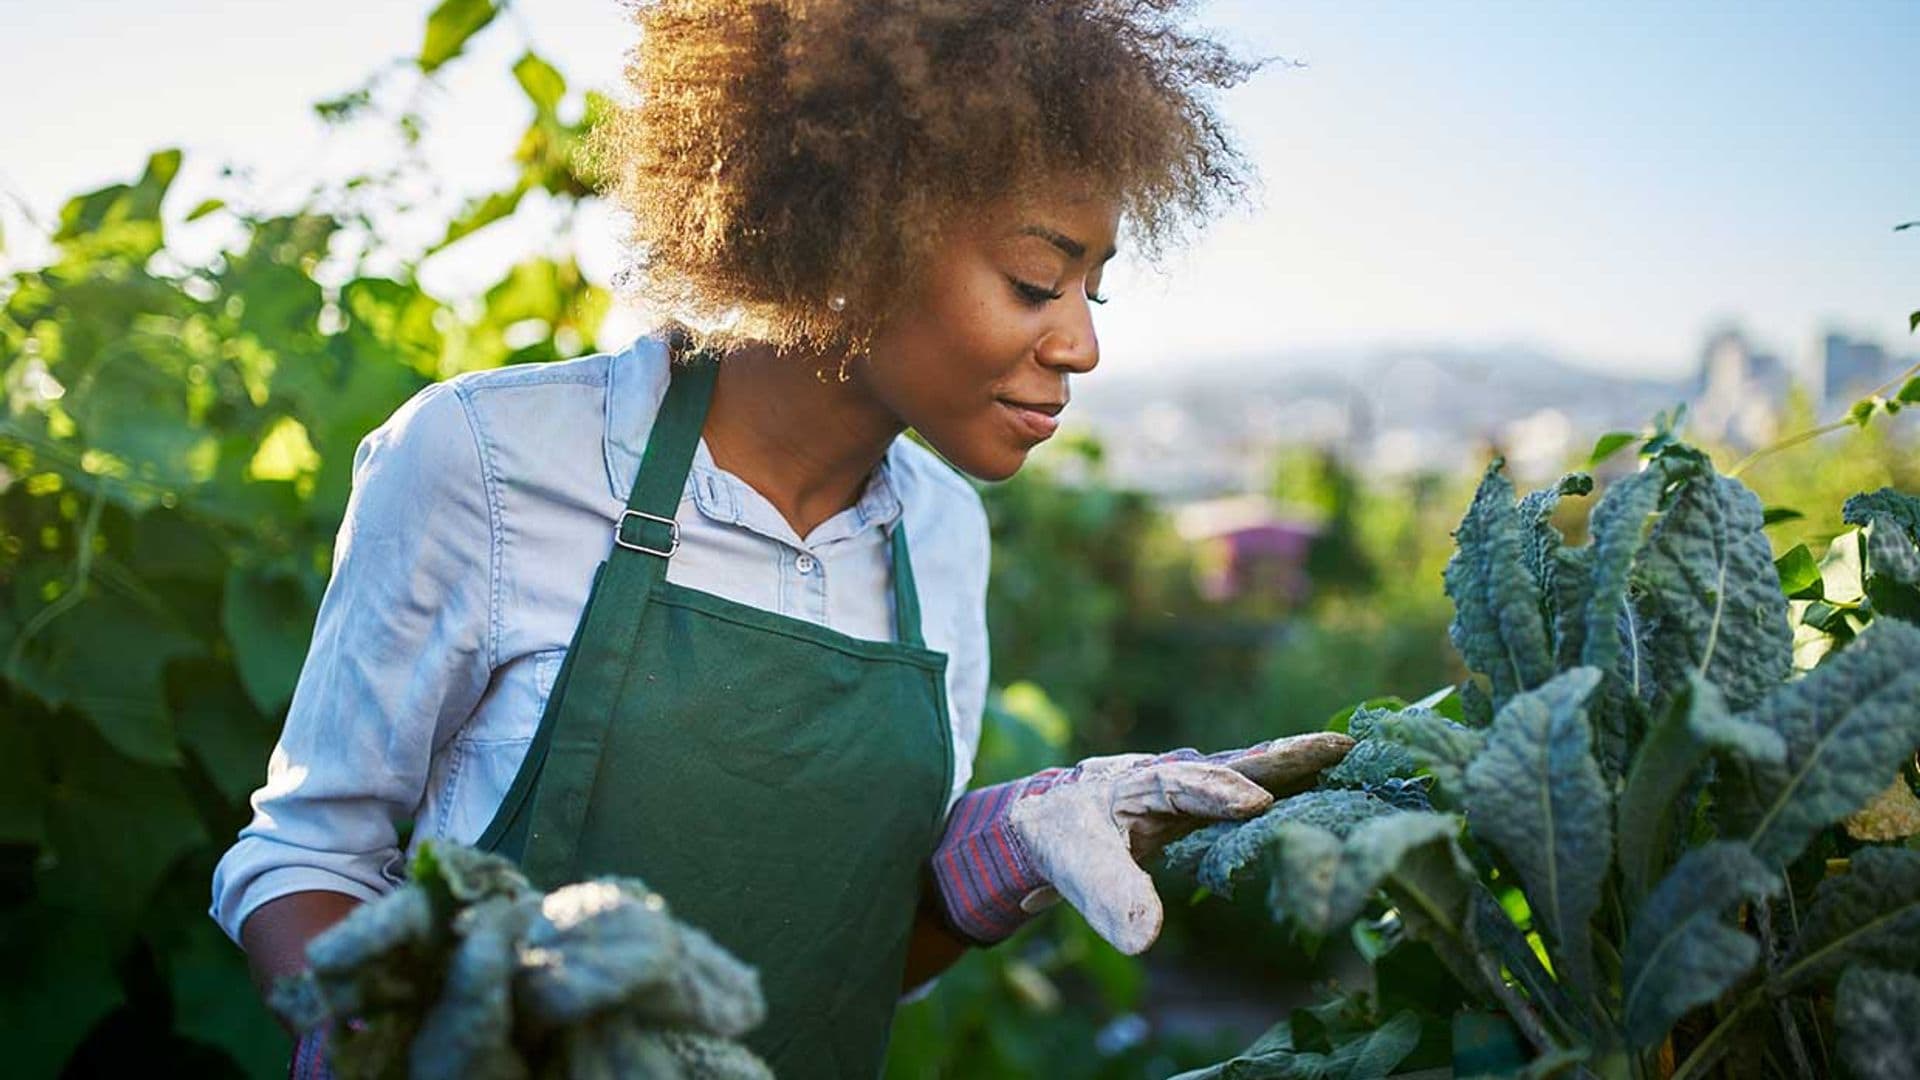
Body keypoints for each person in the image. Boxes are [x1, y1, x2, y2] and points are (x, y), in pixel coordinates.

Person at [210, 1, 1354, 1076]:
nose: (1080, 346)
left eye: (1094, 290)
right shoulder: (492, 460)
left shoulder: (944, 536)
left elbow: (838, 970)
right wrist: (394, 1039)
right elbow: (306, 861)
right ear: (856, 230)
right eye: (1035, 279)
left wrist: (990, 870)